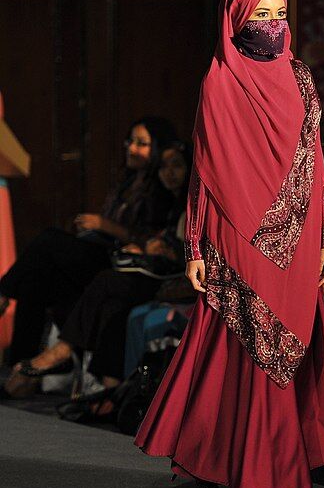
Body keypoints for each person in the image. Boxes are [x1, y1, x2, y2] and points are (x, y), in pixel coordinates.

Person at [132, 0, 324, 488]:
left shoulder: (301, 78)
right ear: (236, 20)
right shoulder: (219, 80)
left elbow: (314, 160)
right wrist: (195, 245)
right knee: (241, 351)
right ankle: (278, 481)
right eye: (260, 14)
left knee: (286, 350)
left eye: (280, 13)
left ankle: (241, 469)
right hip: (235, 234)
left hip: (298, 234)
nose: (273, 24)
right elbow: (205, 169)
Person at [3, 142, 194, 408]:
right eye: (164, 166)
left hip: (162, 278)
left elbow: (182, 249)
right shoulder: (134, 188)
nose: (169, 172)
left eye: (177, 166)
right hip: (131, 267)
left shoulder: (186, 202)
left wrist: (125, 235)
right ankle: (106, 392)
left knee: (81, 264)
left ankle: (60, 351)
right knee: (45, 280)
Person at [0, 116, 176, 366]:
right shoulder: (127, 182)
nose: (132, 148)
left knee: (49, 239)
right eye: (130, 141)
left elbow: (151, 241)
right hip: (101, 250)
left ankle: (3, 294)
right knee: (34, 282)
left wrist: (105, 225)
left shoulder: (163, 187)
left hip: (124, 265)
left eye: (142, 143)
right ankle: (20, 367)